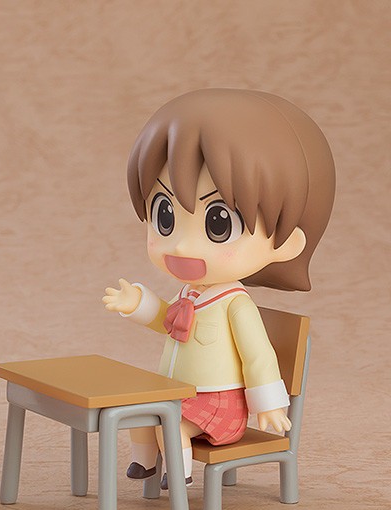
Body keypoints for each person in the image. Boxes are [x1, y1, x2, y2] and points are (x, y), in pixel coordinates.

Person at [103, 89, 334, 488]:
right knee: (143, 414)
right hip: (182, 394)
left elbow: (258, 355)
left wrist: (269, 404)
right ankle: (144, 464)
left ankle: (179, 477)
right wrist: (139, 304)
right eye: (164, 215)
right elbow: (170, 322)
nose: (181, 246)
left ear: (285, 243)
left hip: (221, 406)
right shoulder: (190, 294)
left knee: (166, 423)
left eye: (218, 223)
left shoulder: (235, 304)